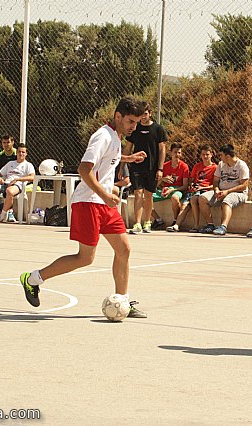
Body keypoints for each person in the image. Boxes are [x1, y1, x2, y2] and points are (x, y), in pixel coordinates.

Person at [19, 97, 149, 319]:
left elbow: (109, 159)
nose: (133, 127)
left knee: (124, 249)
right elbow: (84, 169)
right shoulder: (102, 136)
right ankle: (32, 279)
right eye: (130, 122)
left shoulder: (116, 137)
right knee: (85, 258)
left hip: (104, 203)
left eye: (136, 123)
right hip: (89, 202)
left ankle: (123, 300)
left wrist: (128, 158)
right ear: (118, 116)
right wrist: (105, 195)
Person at [123, 104, 167, 234]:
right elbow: (128, 147)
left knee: (148, 195)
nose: (143, 117)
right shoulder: (135, 128)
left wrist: (160, 168)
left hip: (152, 167)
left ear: (150, 113)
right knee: (137, 193)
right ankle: (137, 223)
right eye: (141, 115)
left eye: (145, 114)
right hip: (137, 167)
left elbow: (162, 149)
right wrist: (122, 166)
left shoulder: (158, 129)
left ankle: (147, 222)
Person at [198, 144, 249, 235]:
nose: (220, 157)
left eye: (221, 155)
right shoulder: (221, 164)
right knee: (202, 198)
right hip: (221, 191)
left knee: (227, 200)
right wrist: (216, 190)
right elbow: (216, 181)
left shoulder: (241, 165)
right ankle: (210, 225)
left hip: (238, 193)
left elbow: (244, 186)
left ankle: (223, 226)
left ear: (228, 156)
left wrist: (227, 191)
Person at [0, 144, 35, 223]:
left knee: (9, 191)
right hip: (5, 183)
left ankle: (2, 216)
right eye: (19, 152)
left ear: (26, 154)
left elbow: (32, 177)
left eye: (23, 152)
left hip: (17, 185)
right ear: (16, 153)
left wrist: (18, 179)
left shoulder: (28, 165)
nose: (21, 154)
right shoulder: (10, 163)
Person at [152, 143, 189, 231]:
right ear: (170, 153)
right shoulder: (164, 166)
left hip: (177, 190)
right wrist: (162, 179)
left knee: (175, 197)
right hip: (164, 190)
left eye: (179, 152)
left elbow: (185, 186)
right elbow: (155, 185)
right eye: (175, 152)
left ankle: (175, 221)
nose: (177, 155)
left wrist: (172, 190)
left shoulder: (184, 167)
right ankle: (158, 220)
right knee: (146, 199)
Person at [183, 144, 217, 233]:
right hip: (196, 190)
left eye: (207, 154)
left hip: (207, 190)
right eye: (203, 154)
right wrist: (192, 185)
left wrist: (203, 187)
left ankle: (206, 224)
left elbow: (216, 185)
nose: (205, 156)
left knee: (196, 199)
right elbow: (191, 179)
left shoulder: (215, 167)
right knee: (192, 200)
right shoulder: (197, 166)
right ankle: (196, 225)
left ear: (211, 155)